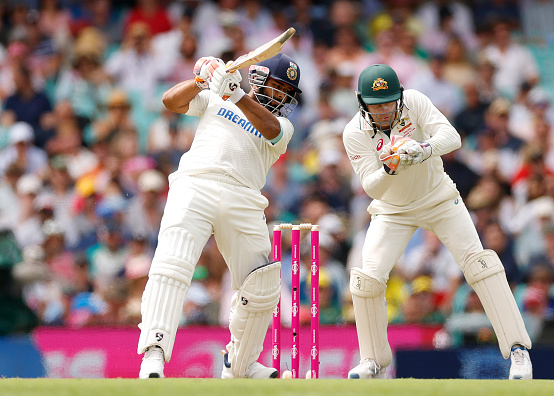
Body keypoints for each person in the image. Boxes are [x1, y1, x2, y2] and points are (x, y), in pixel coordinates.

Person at [342, 64, 532, 380]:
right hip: (392, 211)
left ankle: (518, 351)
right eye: (377, 105)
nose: (386, 110)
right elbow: (370, 187)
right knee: (367, 278)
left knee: (480, 264)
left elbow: (451, 136)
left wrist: (422, 149)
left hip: (439, 199)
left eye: (390, 102)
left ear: (399, 96)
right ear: (362, 104)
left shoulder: (414, 101)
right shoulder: (354, 132)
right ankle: (373, 361)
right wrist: (390, 167)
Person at [137, 53, 301, 379]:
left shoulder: (282, 125)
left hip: (244, 196)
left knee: (262, 283)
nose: (282, 97)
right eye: (278, 88)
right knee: (173, 264)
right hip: (196, 183)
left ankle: (241, 364)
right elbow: (171, 102)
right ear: (260, 80)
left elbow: (270, 132)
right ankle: (154, 352)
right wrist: (202, 80)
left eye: (287, 93)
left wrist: (236, 95)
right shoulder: (216, 96)